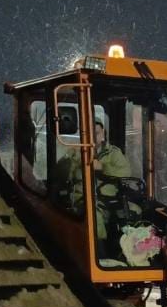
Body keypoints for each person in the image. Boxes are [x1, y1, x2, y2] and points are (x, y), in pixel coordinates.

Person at [50, 106, 131, 249]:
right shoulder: (75, 153)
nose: (94, 136)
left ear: (103, 134)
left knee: (135, 213)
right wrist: (73, 158)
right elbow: (60, 175)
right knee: (95, 217)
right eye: (90, 133)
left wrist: (103, 167)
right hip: (83, 201)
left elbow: (125, 172)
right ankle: (100, 252)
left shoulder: (114, 153)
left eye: (97, 133)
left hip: (111, 201)